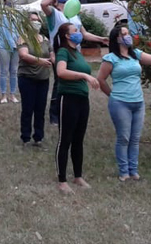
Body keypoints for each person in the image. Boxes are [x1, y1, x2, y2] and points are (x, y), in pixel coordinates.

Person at [97, 25, 151, 180]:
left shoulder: (135, 54)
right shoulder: (110, 59)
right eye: (124, 34)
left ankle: (133, 170)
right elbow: (101, 80)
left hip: (138, 102)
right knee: (124, 138)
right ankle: (123, 172)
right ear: (116, 38)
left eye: (128, 33)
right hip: (120, 102)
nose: (128, 36)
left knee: (135, 139)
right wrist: (112, 95)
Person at [41, 0, 106, 125]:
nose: (66, 3)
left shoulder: (75, 17)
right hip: (61, 54)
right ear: (57, 4)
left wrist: (101, 39)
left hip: (75, 53)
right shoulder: (55, 15)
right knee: (60, 83)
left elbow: (85, 34)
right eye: (63, 1)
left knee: (75, 81)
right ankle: (55, 113)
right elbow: (43, 4)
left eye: (68, 0)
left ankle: (73, 110)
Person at [54, 22, 101, 193]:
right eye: (75, 31)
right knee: (65, 139)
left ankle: (78, 176)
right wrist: (84, 76)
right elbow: (61, 72)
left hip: (82, 99)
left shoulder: (77, 53)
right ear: (67, 35)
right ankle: (62, 180)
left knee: (78, 139)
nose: (78, 33)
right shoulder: (63, 51)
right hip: (67, 99)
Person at [17, 11, 52, 146]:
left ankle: (38, 137)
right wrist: (41, 61)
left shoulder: (45, 39)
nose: (35, 22)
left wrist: (54, 58)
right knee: (28, 108)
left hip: (43, 79)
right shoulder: (23, 38)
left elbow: (51, 52)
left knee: (40, 109)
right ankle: (25, 137)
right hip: (27, 79)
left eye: (37, 20)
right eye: (32, 20)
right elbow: (24, 55)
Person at [0, 0, 20, 103]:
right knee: (4, 71)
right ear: (5, 0)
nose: (11, 0)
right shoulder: (1, 12)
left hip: (16, 46)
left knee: (14, 71)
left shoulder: (17, 13)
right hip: (3, 45)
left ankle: (12, 94)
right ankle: (3, 95)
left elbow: (20, 29)